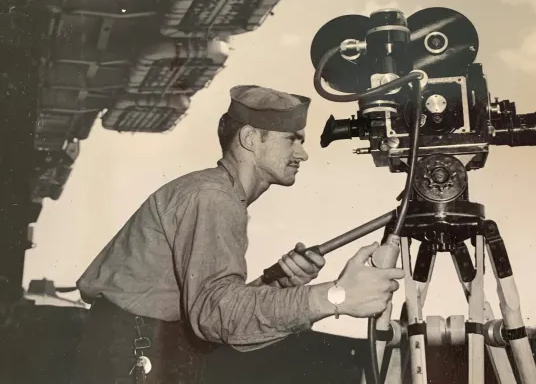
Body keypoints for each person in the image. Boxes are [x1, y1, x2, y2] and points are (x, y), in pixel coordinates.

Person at [69, 85, 405, 384]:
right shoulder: (213, 198)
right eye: (292, 139)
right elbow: (216, 316)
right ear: (249, 139)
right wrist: (335, 297)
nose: (302, 153)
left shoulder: (218, 193)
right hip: (136, 352)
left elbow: (212, 312)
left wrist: (279, 283)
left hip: (145, 347)